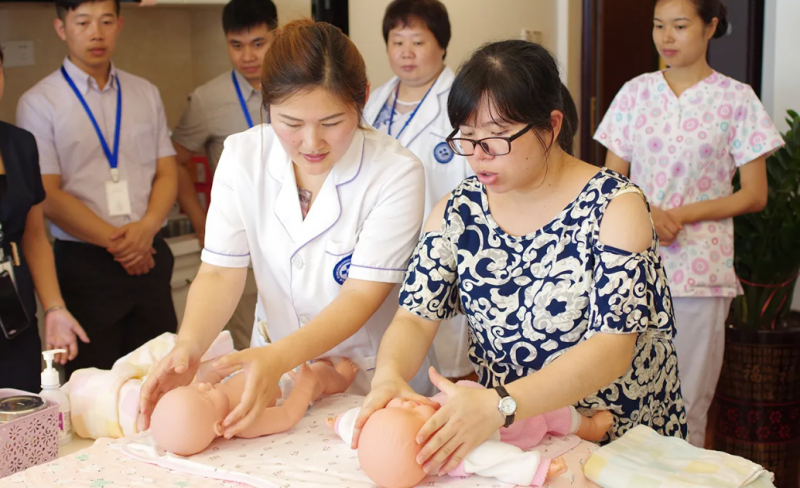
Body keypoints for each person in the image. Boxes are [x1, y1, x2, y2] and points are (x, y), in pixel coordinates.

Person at [353, 39, 688, 477]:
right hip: (518, 439)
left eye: (495, 140)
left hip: (621, 440)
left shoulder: (614, 208)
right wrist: (389, 376)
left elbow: (611, 350)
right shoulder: (459, 211)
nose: (477, 157)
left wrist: (502, 403)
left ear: (550, 126)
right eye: (467, 140)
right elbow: (416, 316)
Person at [138, 19, 437, 439]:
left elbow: (361, 295)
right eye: (291, 123)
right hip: (277, 377)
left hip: (368, 381)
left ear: (363, 98)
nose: (311, 142)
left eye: (332, 122)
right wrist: (188, 346)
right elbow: (222, 271)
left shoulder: (395, 172)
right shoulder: (244, 156)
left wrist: (278, 357)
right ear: (267, 101)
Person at [593, 0, 783, 447]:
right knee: (622, 396)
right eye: (659, 26)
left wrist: (680, 215)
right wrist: (649, 213)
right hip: (633, 264)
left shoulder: (737, 100)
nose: (667, 37)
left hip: (702, 273)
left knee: (688, 399)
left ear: (711, 26)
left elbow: (755, 194)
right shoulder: (635, 92)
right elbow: (609, 182)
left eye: (680, 26)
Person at [16, 0, 179, 378]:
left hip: (149, 254)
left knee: (161, 377)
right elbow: (47, 193)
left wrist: (147, 229)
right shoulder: (39, 103)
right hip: (85, 266)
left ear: (119, 24)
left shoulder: (145, 93)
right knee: (93, 388)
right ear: (61, 28)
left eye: (106, 21)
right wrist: (119, 242)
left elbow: (167, 172)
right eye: (83, 22)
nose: (96, 33)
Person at [363, 0, 473, 380]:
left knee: (447, 365)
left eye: (418, 42)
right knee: (391, 355)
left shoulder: (461, 101)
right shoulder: (375, 101)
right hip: (381, 245)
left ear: (441, 45)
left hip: (442, 246)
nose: (406, 53)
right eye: (397, 42)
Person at [171, 0, 278, 350]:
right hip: (243, 239)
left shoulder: (298, 88)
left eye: (258, 43)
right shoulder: (207, 99)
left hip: (299, 231)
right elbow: (177, 161)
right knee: (249, 341)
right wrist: (202, 222)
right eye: (236, 45)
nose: (247, 56)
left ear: (276, 36)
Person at [0, 45, 89, 393]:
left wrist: (54, 308)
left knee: (21, 425)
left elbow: (34, 237)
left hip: (14, 316)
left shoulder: (19, 145)